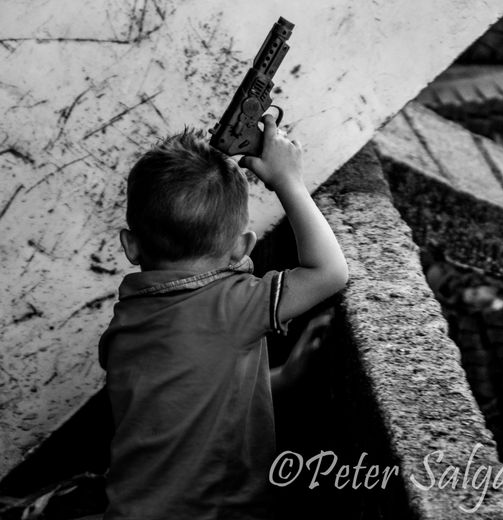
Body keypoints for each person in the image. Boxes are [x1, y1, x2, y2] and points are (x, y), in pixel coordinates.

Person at [98, 114, 348, 519]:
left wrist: (282, 379)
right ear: (242, 248)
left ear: (131, 246)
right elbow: (330, 272)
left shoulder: (130, 317)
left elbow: (193, 392)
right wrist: (289, 181)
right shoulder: (235, 306)